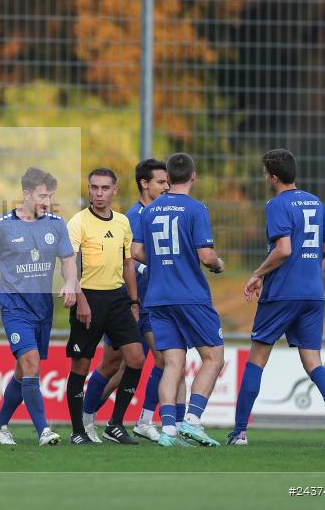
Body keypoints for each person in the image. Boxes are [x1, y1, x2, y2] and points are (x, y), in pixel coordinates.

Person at [228, 149, 325, 447]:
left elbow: (284, 249)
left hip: (283, 293)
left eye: (264, 173)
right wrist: (308, 262)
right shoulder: (314, 201)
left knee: (257, 358)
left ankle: (239, 432)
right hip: (313, 293)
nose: (264, 177)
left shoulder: (276, 204)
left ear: (273, 176)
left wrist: (257, 273)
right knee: (313, 361)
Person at [81, 159, 187, 442]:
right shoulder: (134, 216)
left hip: (152, 303)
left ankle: (140, 419)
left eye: (167, 182)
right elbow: (126, 259)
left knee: (160, 359)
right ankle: (85, 418)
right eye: (161, 182)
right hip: (129, 303)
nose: (166, 187)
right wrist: (149, 273)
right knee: (113, 365)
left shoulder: (161, 212)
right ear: (144, 183)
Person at [132, 152, 225, 448]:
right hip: (190, 295)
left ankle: (168, 429)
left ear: (168, 178)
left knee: (173, 364)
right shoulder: (196, 209)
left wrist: (162, 261)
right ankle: (194, 420)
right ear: (193, 177)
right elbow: (206, 255)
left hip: (158, 297)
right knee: (214, 357)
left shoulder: (150, 211)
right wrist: (219, 264)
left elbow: (136, 251)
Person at [0, 168, 77, 446]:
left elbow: (68, 260)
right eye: (41, 196)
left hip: (43, 309)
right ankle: (44, 430)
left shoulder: (56, 224)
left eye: (49, 196)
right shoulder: (2, 226)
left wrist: (71, 281)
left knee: (23, 371)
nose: (46, 201)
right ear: (25, 194)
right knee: (32, 364)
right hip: (15, 309)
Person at [65, 168, 144, 445]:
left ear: (115, 190)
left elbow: (127, 265)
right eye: (94, 188)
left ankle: (116, 424)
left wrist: (134, 302)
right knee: (81, 367)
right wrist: (81, 300)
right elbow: (69, 266)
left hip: (117, 299)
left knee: (136, 359)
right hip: (87, 298)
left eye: (104, 188)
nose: (99, 193)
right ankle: (77, 431)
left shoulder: (122, 222)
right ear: (89, 189)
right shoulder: (78, 222)